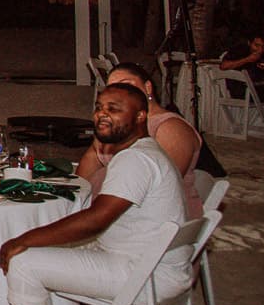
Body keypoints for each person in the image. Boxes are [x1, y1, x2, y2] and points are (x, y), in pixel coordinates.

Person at [0, 84, 191, 305]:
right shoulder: (144, 152)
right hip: (160, 267)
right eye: (99, 107)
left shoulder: (135, 161)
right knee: (64, 247)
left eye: (114, 109)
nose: (102, 114)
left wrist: (25, 239)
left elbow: (96, 218)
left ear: (141, 116)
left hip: (145, 277)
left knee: (24, 262)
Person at [77, 62, 203, 219]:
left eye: (126, 85)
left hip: (153, 219)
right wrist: (76, 197)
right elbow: (92, 159)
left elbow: (161, 185)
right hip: (108, 209)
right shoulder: (117, 124)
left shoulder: (171, 127)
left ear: (148, 87)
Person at [219, 26, 264, 142]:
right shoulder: (240, 50)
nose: (260, 49)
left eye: (263, 46)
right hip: (242, 90)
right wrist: (248, 59)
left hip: (261, 88)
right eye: (257, 45)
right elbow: (223, 66)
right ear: (250, 43)